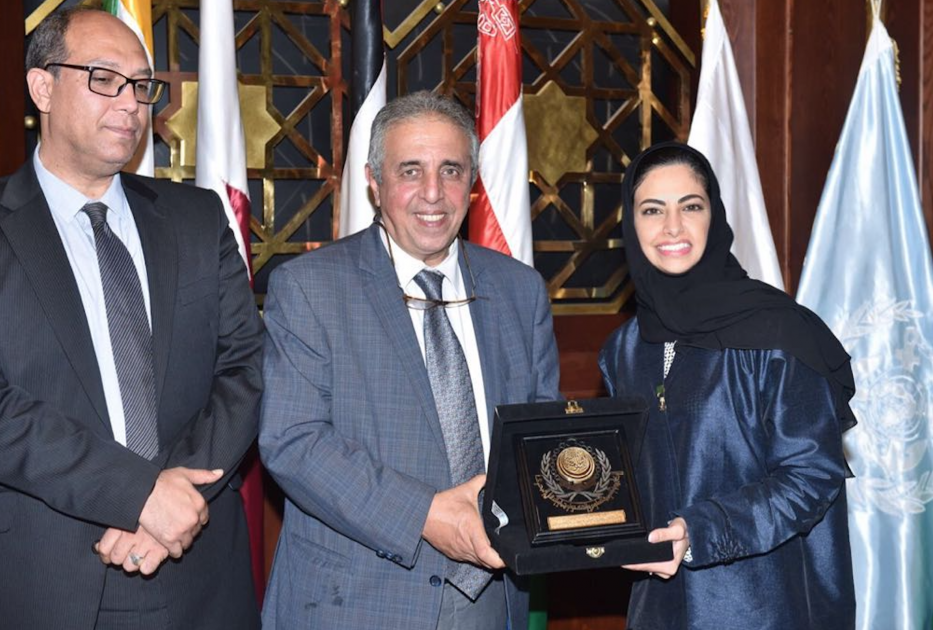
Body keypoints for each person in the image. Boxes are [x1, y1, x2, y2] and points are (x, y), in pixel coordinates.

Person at [0, 7, 263, 629]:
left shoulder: (198, 219)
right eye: (103, 79)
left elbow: (245, 370)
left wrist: (175, 502)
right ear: (41, 88)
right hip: (47, 580)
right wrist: (137, 494)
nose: (130, 103)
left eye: (142, 86)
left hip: (200, 571)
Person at [259, 91, 560, 630]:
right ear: (374, 182)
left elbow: (542, 437)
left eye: (451, 170)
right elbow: (293, 442)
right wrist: (424, 515)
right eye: (410, 170)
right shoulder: (309, 288)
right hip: (355, 600)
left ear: (472, 181)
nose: (433, 193)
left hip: (493, 595)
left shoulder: (521, 291)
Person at [599, 142, 856, 629]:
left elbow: (811, 475)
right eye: (652, 210)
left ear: (713, 216)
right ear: (630, 224)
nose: (672, 227)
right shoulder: (623, 350)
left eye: (690, 207)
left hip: (765, 606)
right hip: (659, 608)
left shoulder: (778, 332)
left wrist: (699, 531)